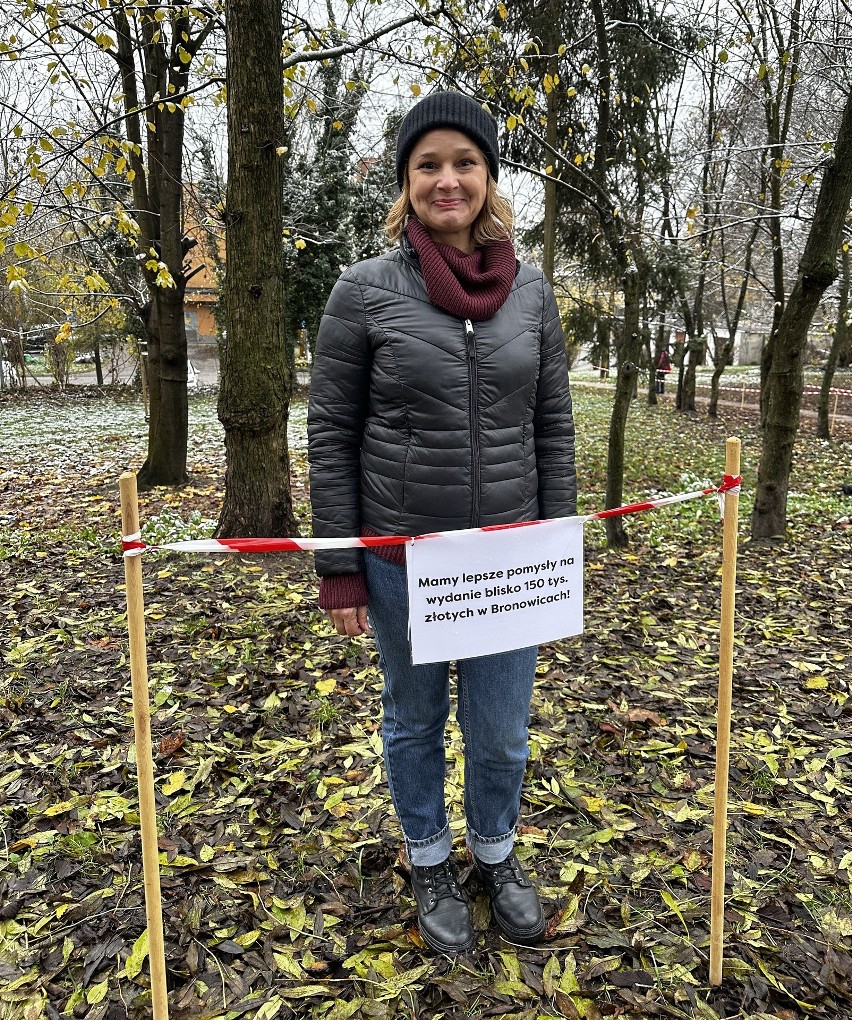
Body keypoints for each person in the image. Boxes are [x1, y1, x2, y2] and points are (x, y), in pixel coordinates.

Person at [307, 91, 576, 954]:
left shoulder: (533, 295)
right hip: (398, 557)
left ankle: (494, 855)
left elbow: (554, 426)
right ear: (407, 180)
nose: (447, 179)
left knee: (500, 728)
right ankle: (429, 857)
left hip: (506, 560)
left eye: (465, 162)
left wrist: (557, 546)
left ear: (490, 176)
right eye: (429, 164)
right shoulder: (364, 292)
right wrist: (340, 564)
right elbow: (330, 435)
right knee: (414, 721)